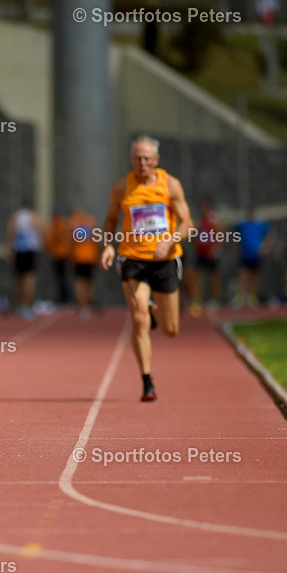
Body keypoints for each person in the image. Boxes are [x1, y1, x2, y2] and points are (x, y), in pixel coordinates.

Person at [100, 135, 193, 402]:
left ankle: (156, 311)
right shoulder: (120, 188)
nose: (142, 163)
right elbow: (109, 220)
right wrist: (108, 245)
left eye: (147, 159)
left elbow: (187, 223)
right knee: (138, 317)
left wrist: (170, 240)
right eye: (137, 158)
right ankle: (147, 381)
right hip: (132, 259)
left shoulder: (171, 184)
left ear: (156, 160)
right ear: (131, 160)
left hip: (165, 260)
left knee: (171, 329)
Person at [232, 207, 273, 309]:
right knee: (243, 275)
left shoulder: (260, 224)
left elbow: (270, 234)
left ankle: (252, 297)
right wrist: (237, 246)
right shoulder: (243, 224)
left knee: (254, 276)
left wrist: (265, 247)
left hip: (255, 254)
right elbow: (234, 234)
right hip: (245, 253)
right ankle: (239, 297)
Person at [5, 205, 42, 319]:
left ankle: (20, 304)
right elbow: (42, 232)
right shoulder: (35, 217)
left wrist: (9, 249)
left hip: (19, 250)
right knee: (29, 278)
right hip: (30, 250)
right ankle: (26, 305)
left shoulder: (16, 216)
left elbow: (10, 232)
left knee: (19, 278)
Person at [188, 201, 222, 317]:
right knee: (197, 275)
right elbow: (196, 235)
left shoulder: (214, 220)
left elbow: (219, 234)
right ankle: (197, 299)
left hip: (210, 252)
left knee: (213, 276)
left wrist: (215, 249)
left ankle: (215, 299)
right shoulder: (200, 220)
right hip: (200, 252)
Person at [69, 206, 99, 319]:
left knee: (79, 282)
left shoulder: (73, 222)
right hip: (90, 256)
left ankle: (82, 305)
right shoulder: (91, 221)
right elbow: (97, 238)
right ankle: (87, 305)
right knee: (89, 281)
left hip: (78, 257)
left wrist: (70, 257)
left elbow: (70, 242)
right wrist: (98, 254)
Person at [43, 207, 71, 306]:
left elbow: (63, 240)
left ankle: (64, 298)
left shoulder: (60, 225)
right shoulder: (55, 225)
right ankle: (62, 297)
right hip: (57, 255)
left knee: (62, 277)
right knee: (60, 278)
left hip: (61, 255)